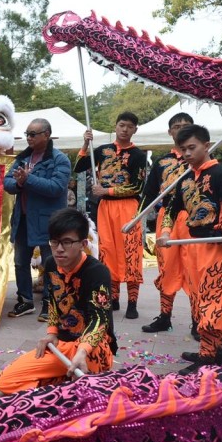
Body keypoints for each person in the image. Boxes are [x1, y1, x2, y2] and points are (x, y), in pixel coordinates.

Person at [0, 208, 115, 394]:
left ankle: (75, 381)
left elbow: (100, 319)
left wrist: (82, 350)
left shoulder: (97, 272)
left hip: (92, 349)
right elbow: (52, 301)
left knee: (89, 392)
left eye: (67, 242)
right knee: (6, 381)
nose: (59, 249)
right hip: (62, 346)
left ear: (83, 243)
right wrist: (51, 332)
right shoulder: (51, 264)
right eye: (54, 242)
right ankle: (67, 384)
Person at [157, 124, 222, 373]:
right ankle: (216, 351)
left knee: (214, 299)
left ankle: (208, 356)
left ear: (207, 145)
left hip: (218, 246)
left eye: (191, 148)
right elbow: (171, 209)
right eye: (183, 149)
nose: (187, 153)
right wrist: (164, 232)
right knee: (200, 297)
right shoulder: (185, 178)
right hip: (193, 246)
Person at [74, 112, 147, 319]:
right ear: (115, 126)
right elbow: (78, 167)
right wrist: (85, 144)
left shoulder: (139, 155)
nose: (125, 129)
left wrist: (107, 191)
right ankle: (113, 298)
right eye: (122, 125)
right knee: (108, 251)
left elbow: (137, 186)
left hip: (128, 207)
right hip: (105, 209)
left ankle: (132, 302)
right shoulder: (102, 151)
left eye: (129, 126)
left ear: (135, 130)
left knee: (131, 251)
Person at [3, 119, 71, 321]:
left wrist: (28, 179)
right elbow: (7, 182)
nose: (29, 138)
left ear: (46, 135)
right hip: (22, 218)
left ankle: (51, 302)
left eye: (33, 134)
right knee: (20, 262)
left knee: (51, 262)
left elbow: (56, 187)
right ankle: (25, 300)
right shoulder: (23, 158)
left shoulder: (59, 159)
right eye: (27, 134)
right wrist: (20, 182)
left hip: (49, 221)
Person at [138, 112, 194, 334]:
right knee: (167, 269)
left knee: (194, 270)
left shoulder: (203, 159)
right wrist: (136, 217)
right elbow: (148, 193)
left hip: (195, 221)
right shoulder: (162, 162)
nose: (180, 130)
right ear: (170, 132)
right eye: (176, 126)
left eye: (186, 126)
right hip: (167, 220)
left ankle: (198, 320)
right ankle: (164, 316)